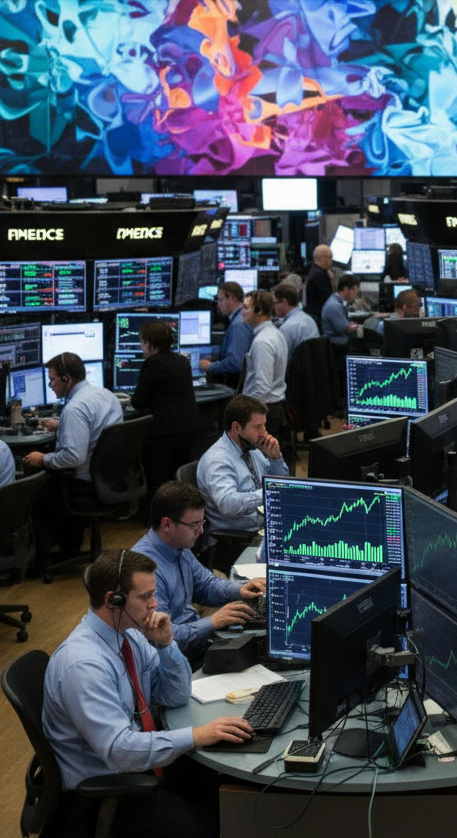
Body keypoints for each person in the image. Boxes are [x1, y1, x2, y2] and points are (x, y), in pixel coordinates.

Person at [42, 549, 254, 837]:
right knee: (221, 824)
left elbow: (175, 696)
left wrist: (166, 645)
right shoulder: (84, 666)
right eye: (146, 597)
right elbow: (119, 752)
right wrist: (197, 735)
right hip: (107, 794)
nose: (155, 604)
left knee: (232, 794)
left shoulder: (129, 634)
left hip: (138, 765)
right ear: (113, 601)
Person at [133, 481, 266, 667]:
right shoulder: (144, 571)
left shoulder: (178, 545)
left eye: (201, 523)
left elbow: (206, 586)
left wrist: (241, 590)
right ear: (167, 524)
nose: (201, 531)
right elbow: (163, 636)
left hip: (196, 644)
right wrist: (212, 622)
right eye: (194, 525)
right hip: (175, 660)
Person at [24, 352, 124, 564]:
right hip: (111, 480)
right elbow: (97, 427)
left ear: (66, 379)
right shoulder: (106, 395)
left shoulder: (74, 409)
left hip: (85, 486)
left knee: (31, 492)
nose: (50, 385)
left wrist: (43, 458)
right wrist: (62, 425)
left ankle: (44, 561)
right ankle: (70, 545)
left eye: (52, 380)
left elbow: (73, 458)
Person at [196, 395, 288, 534]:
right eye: (257, 427)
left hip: (267, 526)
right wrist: (270, 492)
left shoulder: (252, 448)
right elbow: (228, 505)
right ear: (236, 427)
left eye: (264, 425)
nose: (264, 433)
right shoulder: (217, 460)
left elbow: (282, 486)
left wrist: (275, 458)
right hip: (238, 538)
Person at [130, 320, 201, 497]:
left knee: (159, 482)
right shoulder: (182, 361)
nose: (141, 346)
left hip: (164, 433)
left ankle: (157, 512)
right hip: (189, 430)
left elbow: (138, 402)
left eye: (143, 342)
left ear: (150, 344)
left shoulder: (153, 364)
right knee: (179, 480)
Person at [240, 289, 288, 438]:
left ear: (259, 311)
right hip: (272, 407)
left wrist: (245, 413)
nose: (242, 312)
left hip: (263, 411)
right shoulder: (275, 333)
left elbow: (262, 388)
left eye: (246, 308)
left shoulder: (262, 342)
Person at [199, 282, 252, 389]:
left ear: (231, 298)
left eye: (221, 300)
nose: (218, 304)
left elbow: (235, 363)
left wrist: (210, 366)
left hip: (235, 386)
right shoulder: (239, 319)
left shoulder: (238, 324)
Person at [272, 283, 320, 358]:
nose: (274, 307)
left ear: (284, 302)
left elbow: (282, 359)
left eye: (275, 303)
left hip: (295, 365)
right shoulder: (310, 320)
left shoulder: (286, 328)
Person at [321, 274, 362, 342]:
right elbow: (347, 329)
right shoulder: (335, 306)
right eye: (355, 289)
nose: (356, 293)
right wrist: (360, 326)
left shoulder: (334, 300)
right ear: (346, 289)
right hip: (337, 342)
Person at [304, 244, 335, 325]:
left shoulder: (314, 272)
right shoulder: (319, 275)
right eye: (329, 258)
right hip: (321, 318)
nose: (331, 262)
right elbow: (328, 300)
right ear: (322, 258)